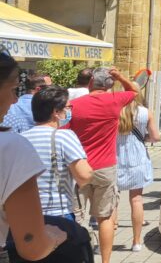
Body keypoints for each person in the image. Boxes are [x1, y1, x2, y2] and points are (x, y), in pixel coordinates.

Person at [0, 53, 68, 260]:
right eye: (13, 89)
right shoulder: (11, 147)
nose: (15, 100)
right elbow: (32, 245)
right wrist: (56, 236)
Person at [67, 67, 139, 263]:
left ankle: (78, 258)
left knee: (76, 217)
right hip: (105, 167)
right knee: (105, 218)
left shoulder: (73, 105)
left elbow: (64, 131)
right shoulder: (114, 100)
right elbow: (134, 91)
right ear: (109, 85)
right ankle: (105, 261)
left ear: (90, 82)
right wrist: (120, 76)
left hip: (79, 167)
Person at [22, 86, 94, 221]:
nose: (69, 112)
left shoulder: (21, 138)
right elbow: (84, 175)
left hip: (26, 213)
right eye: (67, 108)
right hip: (58, 212)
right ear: (56, 112)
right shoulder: (64, 136)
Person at [115, 92, 159, 252]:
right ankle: (136, 242)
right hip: (137, 159)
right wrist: (144, 138)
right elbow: (156, 137)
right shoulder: (145, 112)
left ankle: (108, 238)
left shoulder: (113, 110)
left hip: (115, 157)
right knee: (136, 200)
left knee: (112, 202)